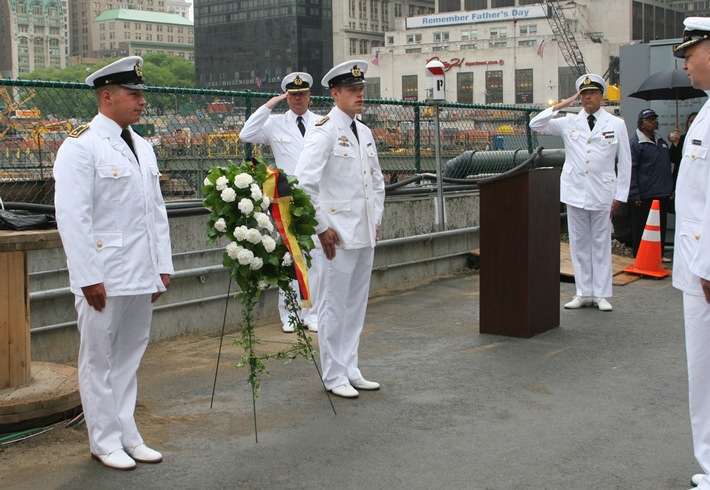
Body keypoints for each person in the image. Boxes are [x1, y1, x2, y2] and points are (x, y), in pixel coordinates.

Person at [53, 56, 173, 471]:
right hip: (103, 273)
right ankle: (103, 440)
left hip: (140, 269)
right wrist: (87, 276)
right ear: (107, 96)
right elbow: (73, 216)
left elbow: (155, 210)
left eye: (141, 93)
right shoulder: (80, 145)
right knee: (98, 358)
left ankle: (126, 432)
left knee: (129, 356)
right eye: (133, 94)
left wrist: (163, 266)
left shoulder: (141, 145)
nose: (142, 101)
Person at [294, 60, 385, 399]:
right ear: (335, 94)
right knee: (333, 306)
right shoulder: (324, 129)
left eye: (361, 90)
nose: (360, 95)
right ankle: (333, 375)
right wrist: (320, 228)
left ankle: (351, 367)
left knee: (356, 305)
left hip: (363, 232)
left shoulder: (364, 130)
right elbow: (304, 183)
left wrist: (374, 220)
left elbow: (376, 182)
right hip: (336, 235)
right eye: (352, 90)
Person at [529, 73, 631, 312]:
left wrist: (620, 195)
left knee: (601, 243)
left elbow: (625, 163)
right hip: (575, 191)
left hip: (603, 192)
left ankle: (602, 294)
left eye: (592, 93)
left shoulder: (616, 124)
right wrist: (563, 104)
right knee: (579, 244)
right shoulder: (569, 121)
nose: (588, 98)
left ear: (602, 96)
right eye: (584, 94)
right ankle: (583, 292)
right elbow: (535, 124)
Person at [239, 72, 319, 334]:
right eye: (293, 95)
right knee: (289, 259)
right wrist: (269, 104)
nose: (298, 99)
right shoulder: (275, 123)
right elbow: (246, 133)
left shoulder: (322, 122)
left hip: (316, 199)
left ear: (309, 96)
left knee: (315, 259)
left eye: (302, 94)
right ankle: (290, 314)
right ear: (287, 97)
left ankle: (312, 313)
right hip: (285, 200)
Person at [670, 17, 710, 490]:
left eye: (690, 52)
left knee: (703, 369)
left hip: (705, 266)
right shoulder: (704, 109)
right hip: (698, 261)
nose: (684, 62)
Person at [627, 109, 673, 258]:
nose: (652, 121)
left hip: (662, 193)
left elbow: (667, 163)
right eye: (648, 119)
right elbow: (631, 169)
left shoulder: (661, 141)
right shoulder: (635, 143)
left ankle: (657, 258)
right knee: (641, 229)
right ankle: (640, 258)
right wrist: (634, 194)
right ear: (641, 123)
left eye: (653, 119)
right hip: (644, 195)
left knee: (660, 228)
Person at [669, 111, 699, 189]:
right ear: (687, 124)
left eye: (696, 120)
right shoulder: (681, 139)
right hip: (682, 180)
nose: (693, 123)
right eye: (691, 121)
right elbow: (673, 158)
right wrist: (675, 143)